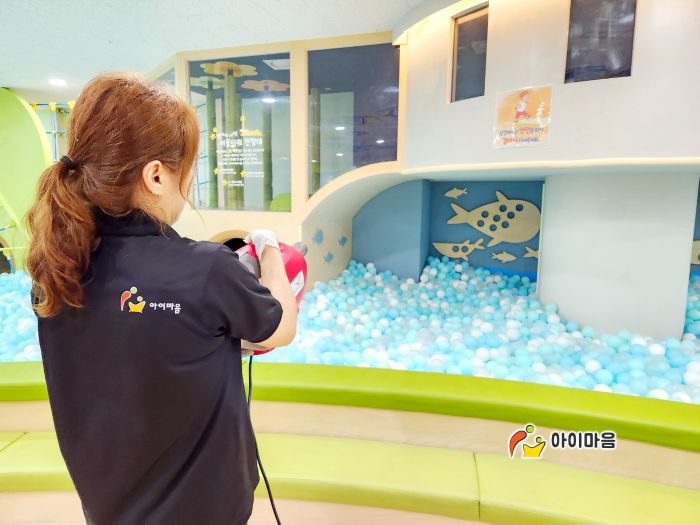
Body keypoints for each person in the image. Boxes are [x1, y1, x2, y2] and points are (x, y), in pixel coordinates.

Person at [25, 72, 297, 525]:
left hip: (108, 508)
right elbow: (280, 328)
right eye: (185, 171)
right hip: (205, 510)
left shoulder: (55, 272)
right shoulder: (207, 269)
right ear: (156, 175)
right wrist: (270, 252)